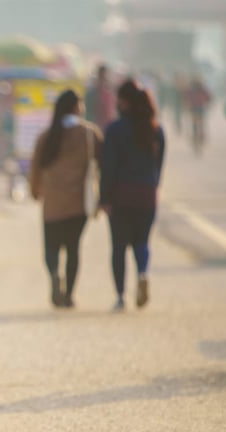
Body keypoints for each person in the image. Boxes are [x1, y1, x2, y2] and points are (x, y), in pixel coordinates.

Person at [30, 89, 102, 308]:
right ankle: (69, 295)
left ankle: (54, 273)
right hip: (78, 202)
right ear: (77, 107)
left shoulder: (47, 136)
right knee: (73, 248)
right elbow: (104, 164)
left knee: (51, 248)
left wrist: (35, 191)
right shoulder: (90, 134)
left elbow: (35, 168)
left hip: (52, 202)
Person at [99, 78, 166, 311]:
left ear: (124, 102)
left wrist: (104, 198)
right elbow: (159, 166)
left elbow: (107, 167)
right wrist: (153, 186)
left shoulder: (115, 129)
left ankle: (120, 296)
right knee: (141, 241)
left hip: (121, 195)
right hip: (147, 194)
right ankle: (143, 273)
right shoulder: (156, 129)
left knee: (119, 247)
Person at [85, 64, 117, 130]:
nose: (104, 77)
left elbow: (112, 110)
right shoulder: (92, 92)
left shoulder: (109, 91)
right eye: (102, 75)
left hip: (107, 125)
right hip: (96, 126)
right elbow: (88, 111)